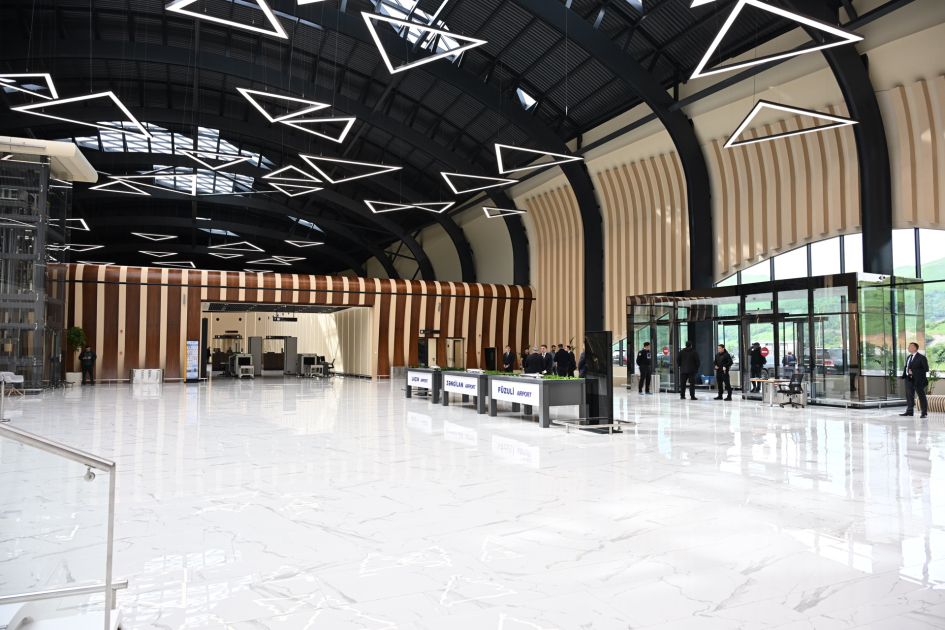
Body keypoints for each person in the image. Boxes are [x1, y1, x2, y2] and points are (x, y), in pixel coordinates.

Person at [900, 342, 929, 418]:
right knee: (909, 395)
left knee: (921, 396)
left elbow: (926, 369)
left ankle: (924, 413)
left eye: (909, 346)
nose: (908, 348)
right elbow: (907, 367)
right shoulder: (909, 357)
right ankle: (909, 411)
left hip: (917, 380)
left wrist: (914, 371)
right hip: (908, 378)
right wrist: (905, 375)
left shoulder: (921, 358)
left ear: (914, 348)